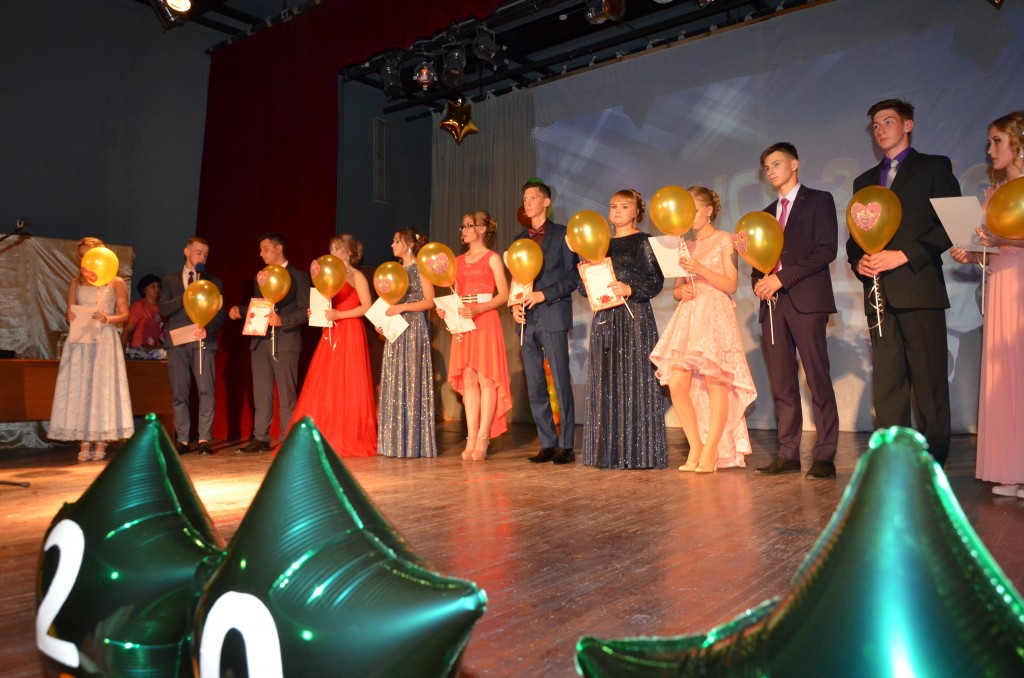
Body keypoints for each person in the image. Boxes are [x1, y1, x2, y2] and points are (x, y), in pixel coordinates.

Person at [847, 99, 960, 466]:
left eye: (888, 121)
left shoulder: (934, 167)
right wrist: (859, 261)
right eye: (876, 125)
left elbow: (953, 227)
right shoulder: (864, 181)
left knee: (928, 380)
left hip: (919, 287)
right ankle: (894, 459)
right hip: (878, 294)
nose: (881, 129)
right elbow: (855, 238)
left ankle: (933, 459)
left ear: (908, 125)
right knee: (888, 383)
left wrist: (904, 255)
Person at [749, 143, 840, 479]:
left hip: (807, 301)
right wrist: (759, 283)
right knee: (782, 382)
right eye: (766, 167)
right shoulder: (764, 214)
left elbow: (826, 249)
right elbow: (758, 260)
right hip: (773, 305)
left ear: (794, 164)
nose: (771, 171)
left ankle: (825, 455)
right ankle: (788, 453)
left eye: (776, 164)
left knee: (817, 378)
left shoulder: (819, 200)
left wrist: (781, 278)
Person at [650, 186, 756, 473]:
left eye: (694, 211)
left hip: (715, 313)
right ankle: (695, 445)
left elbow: (730, 285)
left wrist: (700, 269)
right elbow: (677, 289)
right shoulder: (683, 245)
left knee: (715, 380)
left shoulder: (725, 240)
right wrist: (681, 291)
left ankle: (711, 451)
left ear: (709, 211)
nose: (689, 217)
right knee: (677, 382)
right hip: (690, 314)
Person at [950, 110, 1024, 497]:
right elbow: (993, 247)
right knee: (1003, 376)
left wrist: (1002, 242)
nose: (990, 149)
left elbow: (1010, 241)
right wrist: (973, 252)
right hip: (1000, 283)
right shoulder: (995, 193)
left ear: (1018, 142)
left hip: (1020, 285)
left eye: (997, 141)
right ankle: (1011, 468)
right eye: (989, 142)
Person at [581, 189, 666, 469]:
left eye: (624, 206)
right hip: (605, 318)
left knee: (636, 380)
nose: (617, 211)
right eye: (613, 205)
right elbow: (583, 287)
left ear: (636, 212)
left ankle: (639, 453)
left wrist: (630, 289)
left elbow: (655, 281)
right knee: (606, 381)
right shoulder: (599, 244)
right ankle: (607, 453)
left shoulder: (644, 241)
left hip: (634, 317)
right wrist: (587, 274)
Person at [510, 181, 580, 465]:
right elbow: (516, 280)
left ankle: (567, 445)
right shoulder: (518, 239)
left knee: (561, 380)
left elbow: (573, 277)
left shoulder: (563, 235)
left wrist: (544, 294)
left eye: (533, 197)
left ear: (546, 202)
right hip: (526, 319)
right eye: (525, 198)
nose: (527, 202)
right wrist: (514, 306)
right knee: (535, 382)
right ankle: (547, 442)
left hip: (552, 312)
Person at [290, 234, 377, 457]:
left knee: (348, 381)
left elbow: (366, 307)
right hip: (332, 330)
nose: (333, 252)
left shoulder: (356, 275)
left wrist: (340, 314)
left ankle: (348, 434)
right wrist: (317, 312)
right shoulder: (329, 274)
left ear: (349, 252)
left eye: (338, 248)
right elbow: (325, 303)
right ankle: (325, 432)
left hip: (350, 330)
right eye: (331, 248)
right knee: (327, 381)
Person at [49, 237, 134, 461]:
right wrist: (70, 316)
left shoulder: (115, 282)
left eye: (87, 254)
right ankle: (84, 439)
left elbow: (125, 314)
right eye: (81, 256)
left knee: (101, 386)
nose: (84, 260)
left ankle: (101, 439)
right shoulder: (76, 282)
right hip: (81, 337)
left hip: (105, 337)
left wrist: (108, 318)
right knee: (81, 386)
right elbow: (70, 311)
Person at [438, 211, 512, 461]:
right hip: (464, 321)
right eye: (462, 226)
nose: (464, 230)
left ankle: (483, 437)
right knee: (468, 378)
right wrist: (446, 310)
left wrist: (479, 309)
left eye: (469, 225)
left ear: (482, 229)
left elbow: (504, 294)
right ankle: (470, 437)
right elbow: (456, 295)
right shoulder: (457, 261)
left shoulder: (493, 258)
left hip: (485, 318)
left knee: (486, 378)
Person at [228, 232, 311, 452]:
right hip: (260, 339)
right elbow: (261, 306)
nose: (261, 253)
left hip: (286, 341)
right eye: (261, 249)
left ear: (279, 249)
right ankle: (260, 438)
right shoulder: (262, 276)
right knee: (261, 392)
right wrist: (241, 310)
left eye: (265, 248)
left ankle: (288, 438)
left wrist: (283, 320)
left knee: (287, 393)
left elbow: (305, 310)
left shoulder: (298, 276)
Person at [159, 236, 226, 456]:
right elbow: (163, 309)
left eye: (206, 255)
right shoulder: (170, 280)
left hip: (203, 340)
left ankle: (204, 438)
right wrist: (187, 294)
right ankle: (183, 439)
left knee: (206, 390)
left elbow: (220, 313)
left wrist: (209, 329)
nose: (202, 258)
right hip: (178, 342)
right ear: (186, 251)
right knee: (180, 392)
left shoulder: (214, 282)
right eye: (198, 253)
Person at [377, 228, 437, 458]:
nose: (392, 245)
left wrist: (402, 307)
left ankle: (413, 444)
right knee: (395, 381)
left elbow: (430, 301)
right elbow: (387, 303)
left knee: (412, 381)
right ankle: (393, 443)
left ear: (409, 244)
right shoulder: (394, 271)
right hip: (395, 329)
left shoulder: (420, 268)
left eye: (397, 241)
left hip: (413, 328)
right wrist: (382, 322)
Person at [123, 274, 165, 352]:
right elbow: (127, 330)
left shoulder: (163, 306)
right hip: (141, 349)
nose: (157, 289)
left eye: (158, 286)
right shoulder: (138, 306)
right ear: (144, 290)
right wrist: (122, 350)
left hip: (159, 349)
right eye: (153, 286)